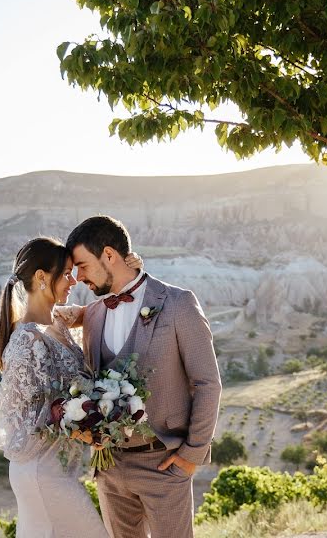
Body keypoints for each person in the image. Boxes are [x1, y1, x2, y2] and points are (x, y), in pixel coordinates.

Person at [66, 216, 222, 538]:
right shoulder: (91, 315)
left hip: (164, 464)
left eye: (82, 266)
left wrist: (191, 456)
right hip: (108, 466)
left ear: (109, 255)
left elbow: (207, 383)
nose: (77, 277)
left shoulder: (177, 303)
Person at [0, 235, 140, 537]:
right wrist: (91, 428)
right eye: (66, 273)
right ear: (42, 277)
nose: (73, 281)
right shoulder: (26, 340)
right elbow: (36, 415)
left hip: (58, 468)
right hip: (40, 471)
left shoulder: (57, 322)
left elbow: (101, 309)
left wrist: (130, 274)